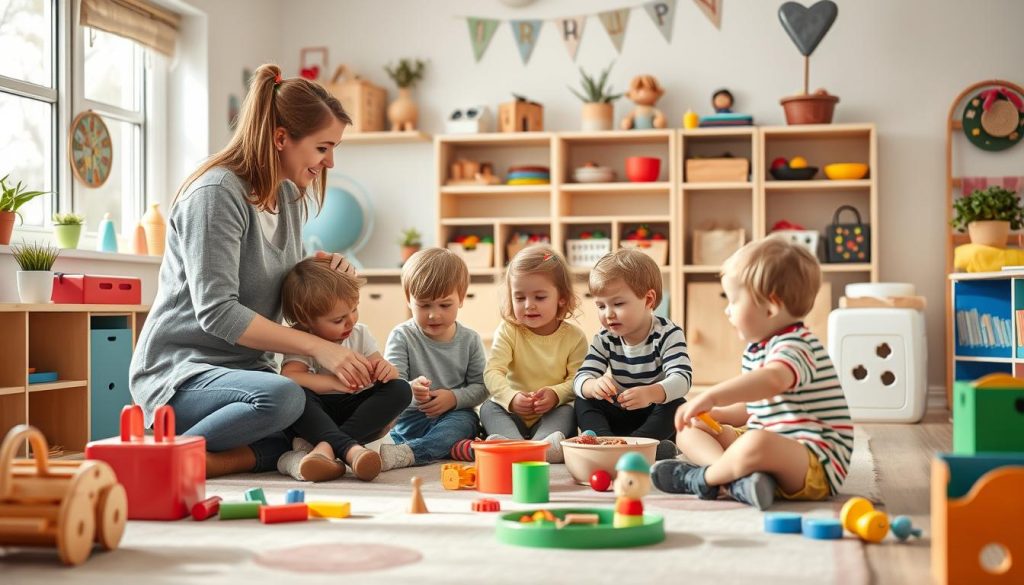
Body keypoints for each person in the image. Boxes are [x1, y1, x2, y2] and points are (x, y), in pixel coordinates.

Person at [129, 63, 373, 478]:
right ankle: (166, 453)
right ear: (281, 138)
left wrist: (317, 274)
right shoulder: (216, 194)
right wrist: (317, 347)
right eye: (322, 147)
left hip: (248, 374)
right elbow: (217, 311)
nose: (330, 161)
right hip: (185, 374)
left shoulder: (289, 196)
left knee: (335, 412)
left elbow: (281, 285)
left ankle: (211, 460)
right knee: (285, 400)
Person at [651, 238, 853, 510]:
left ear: (770, 306)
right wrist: (718, 417)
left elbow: (771, 381)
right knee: (689, 430)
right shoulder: (758, 349)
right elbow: (753, 407)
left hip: (813, 462)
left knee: (757, 443)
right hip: (765, 442)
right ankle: (735, 480)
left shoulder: (797, 345)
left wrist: (713, 396)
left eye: (734, 300)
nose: (727, 309)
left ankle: (702, 479)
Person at [276, 258, 410, 481]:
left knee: (401, 389)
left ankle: (326, 449)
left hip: (355, 413)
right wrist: (334, 383)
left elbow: (381, 368)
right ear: (306, 320)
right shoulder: (302, 340)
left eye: (354, 309)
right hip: (317, 414)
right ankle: (351, 450)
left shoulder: (360, 333)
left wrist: (387, 370)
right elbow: (290, 375)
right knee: (296, 395)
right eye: (338, 320)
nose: (350, 321)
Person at [572, 248, 692, 461]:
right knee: (584, 400)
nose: (608, 314)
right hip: (618, 412)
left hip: (651, 414)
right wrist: (593, 385)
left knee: (677, 404)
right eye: (601, 306)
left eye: (618, 304)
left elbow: (682, 379)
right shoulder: (604, 338)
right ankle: (607, 444)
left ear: (648, 300)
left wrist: (651, 393)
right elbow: (581, 378)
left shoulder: (668, 334)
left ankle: (638, 446)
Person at [381, 247, 487, 470]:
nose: (433, 314)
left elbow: (481, 387)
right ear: (408, 300)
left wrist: (453, 398)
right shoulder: (401, 336)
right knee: (387, 427)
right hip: (409, 420)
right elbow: (390, 390)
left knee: (465, 422)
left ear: (462, 298)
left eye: (445, 305)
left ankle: (411, 453)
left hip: (453, 416)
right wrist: (411, 391)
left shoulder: (470, 340)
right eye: (424, 304)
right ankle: (453, 448)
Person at [482, 245, 587, 463]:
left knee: (568, 411)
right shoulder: (509, 330)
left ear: (562, 298)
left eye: (539, 297)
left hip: (550, 412)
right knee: (488, 408)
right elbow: (493, 372)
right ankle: (515, 444)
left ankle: (539, 446)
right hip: (512, 412)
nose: (529, 306)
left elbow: (578, 380)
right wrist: (511, 398)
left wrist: (555, 394)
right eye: (519, 298)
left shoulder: (574, 337)